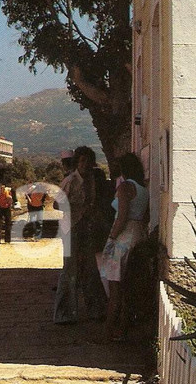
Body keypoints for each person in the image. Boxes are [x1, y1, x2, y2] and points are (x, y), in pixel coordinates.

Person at [53, 146, 106, 323]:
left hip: (87, 227)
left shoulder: (91, 180)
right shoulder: (70, 181)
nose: (85, 165)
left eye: (88, 161)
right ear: (77, 162)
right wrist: (75, 206)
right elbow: (56, 205)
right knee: (70, 270)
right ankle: (64, 314)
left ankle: (95, 310)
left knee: (90, 269)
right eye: (82, 161)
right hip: (71, 228)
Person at [100, 153, 149, 341]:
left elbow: (121, 217)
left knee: (115, 289)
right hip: (137, 235)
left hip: (122, 238)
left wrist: (111, 238)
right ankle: (122, 329)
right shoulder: (143, 190)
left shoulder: (125, 187)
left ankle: (107, 333)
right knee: (128, 287)